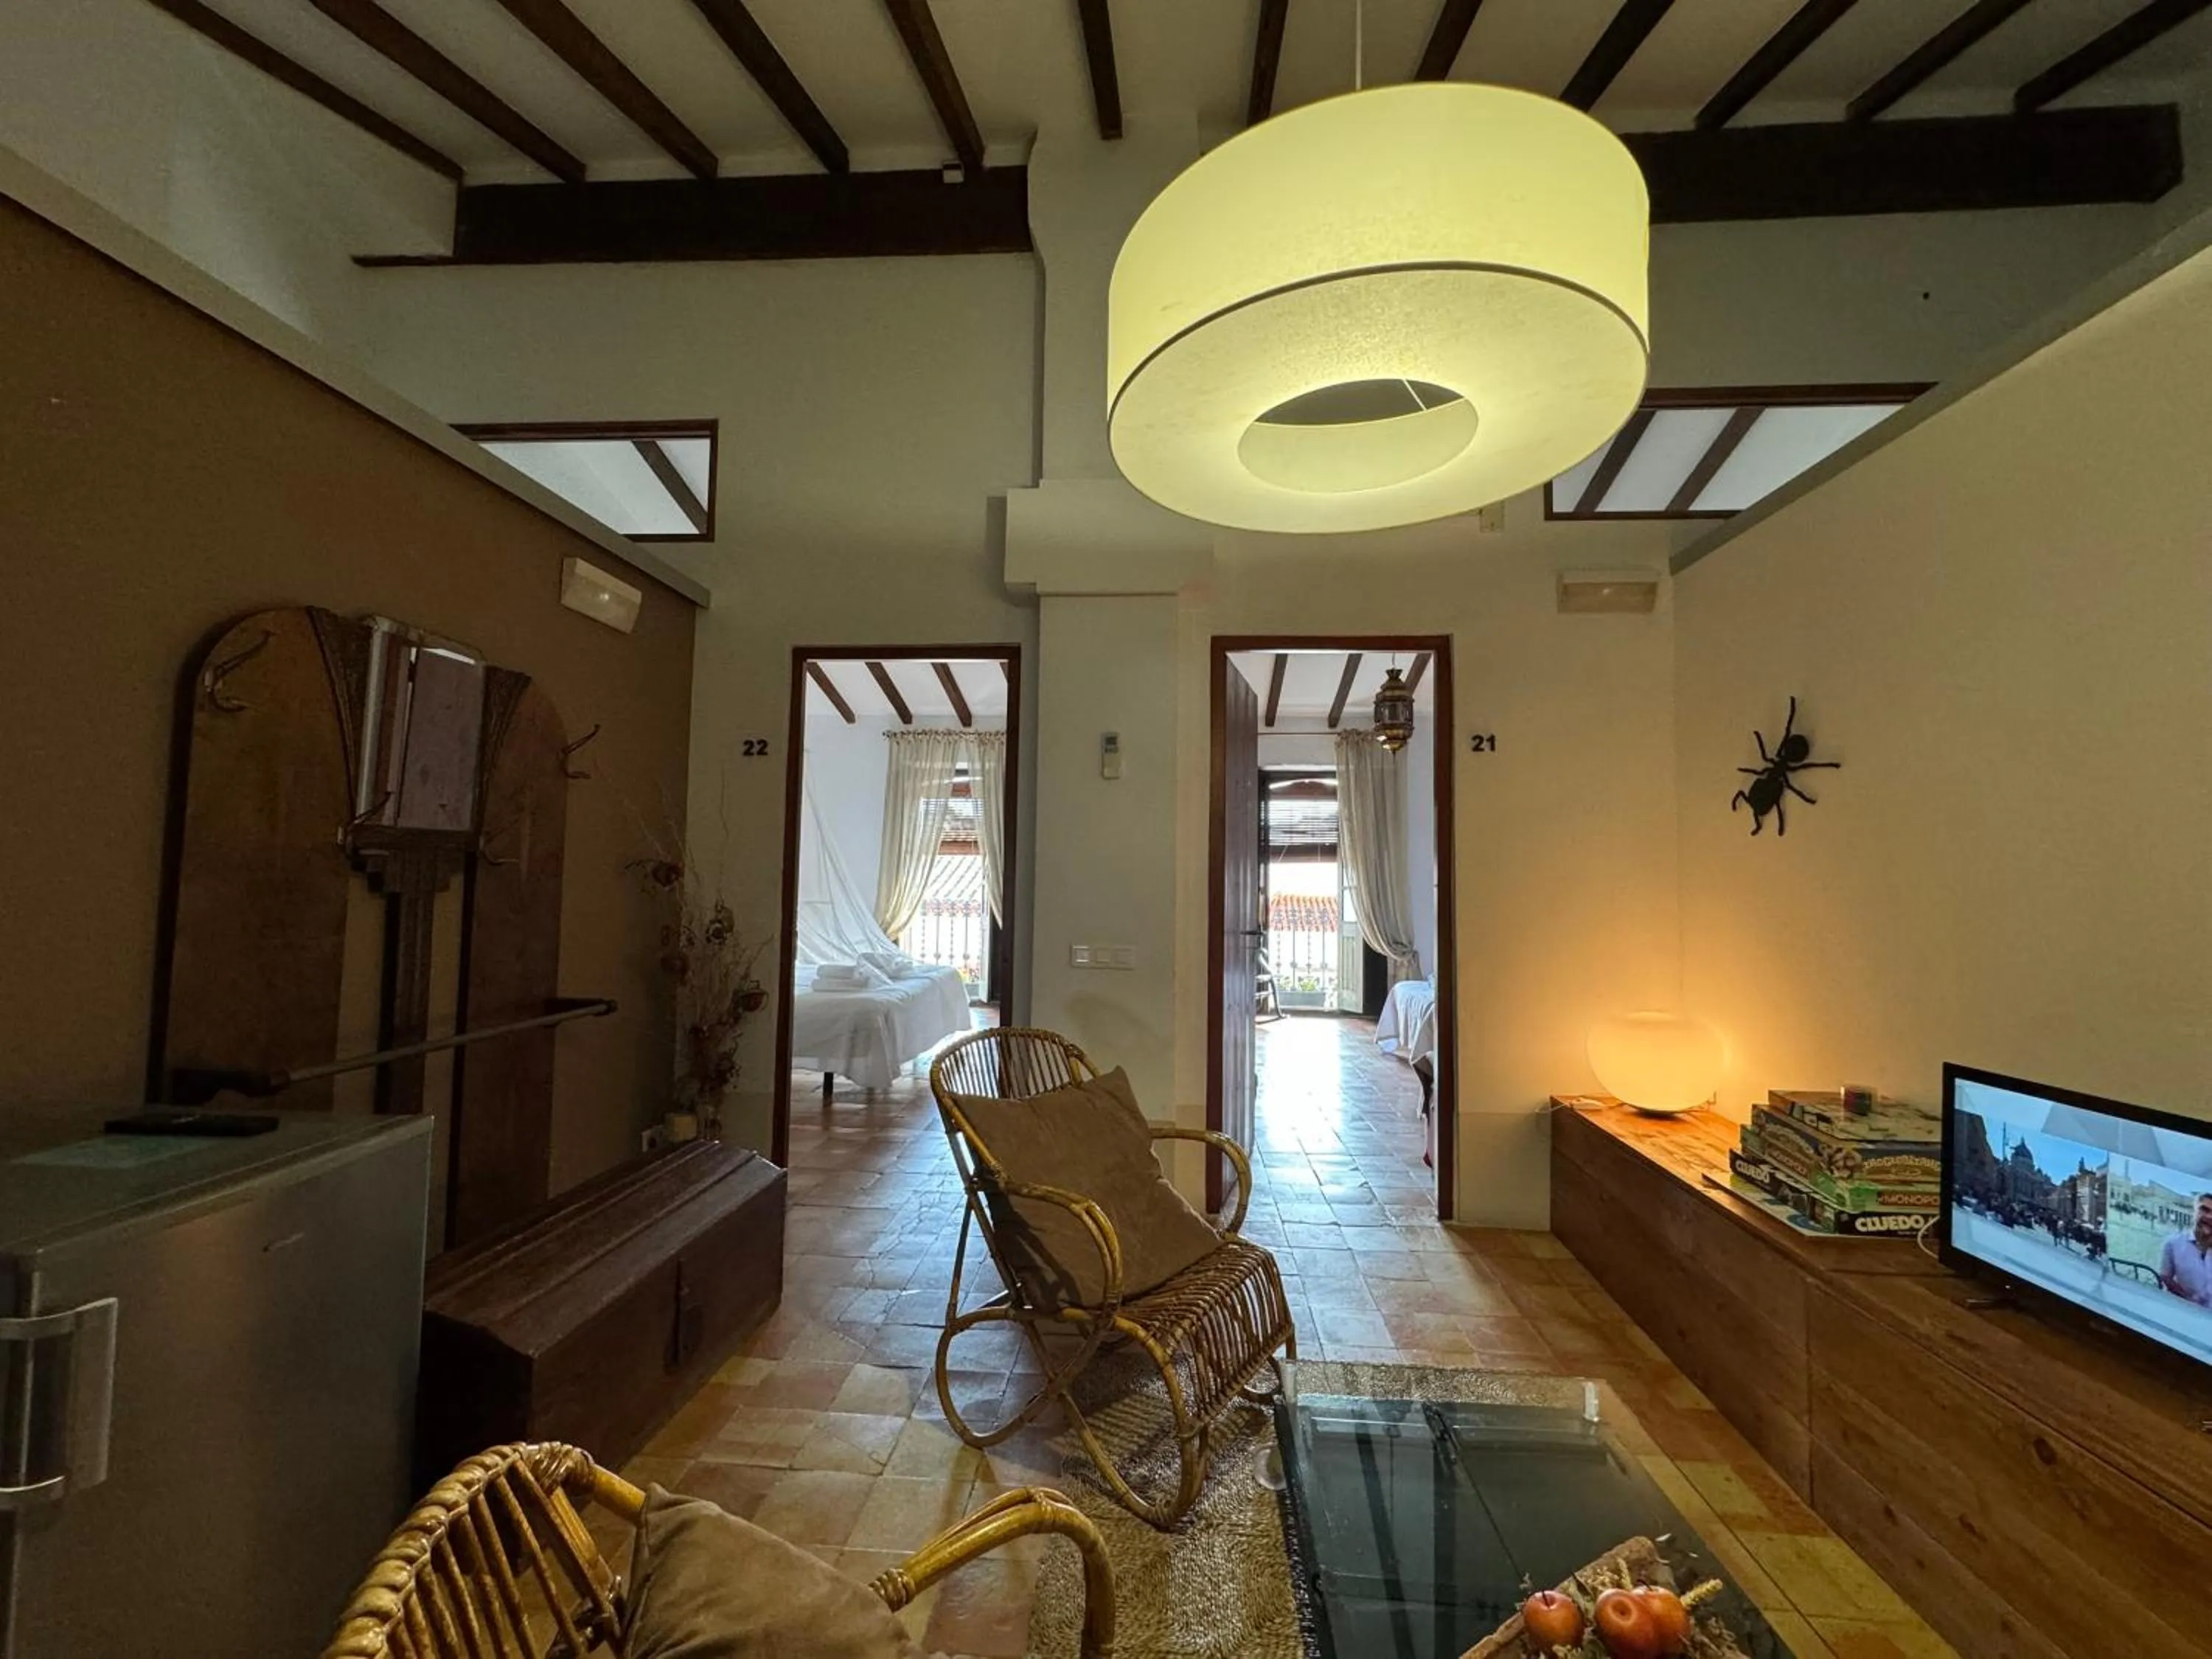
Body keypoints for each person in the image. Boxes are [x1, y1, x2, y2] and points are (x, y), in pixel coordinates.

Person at [2156, 1194, 2212, 1308]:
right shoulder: (2173, 1244)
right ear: (2194, 1211)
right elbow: (2166, 1277)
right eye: (2205, 1210)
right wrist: (2189, 1301)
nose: (2210, 1217)